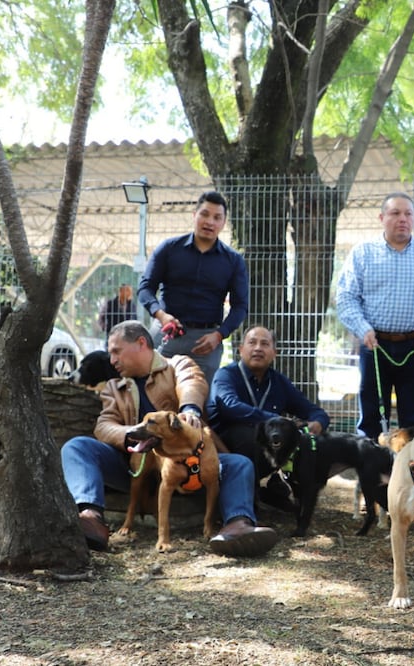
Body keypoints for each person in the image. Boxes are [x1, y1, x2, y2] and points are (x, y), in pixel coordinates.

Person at [60, 320, 278, 557]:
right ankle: (90, 518)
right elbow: (103, 425)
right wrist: (135, 434)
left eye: (116, 351)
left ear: (141, 343)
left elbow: (192, 382)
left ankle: (238, 524)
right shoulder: (114, 386)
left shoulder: (178, 364)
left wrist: (190, 409)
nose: (112, 360)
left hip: (193, 465)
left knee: (239, 464)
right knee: (76, 447)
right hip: (135, 467)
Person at [335, 192, 414, 439]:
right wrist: (363, 329)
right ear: (382, 217)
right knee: (372, 417)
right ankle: (372, 474)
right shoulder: (362, 253)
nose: (402, 219)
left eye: (408, 213)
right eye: (395, 213)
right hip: (374, 347)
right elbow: (346, 298)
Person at [207, 325, 330, 508]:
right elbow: (231, 407)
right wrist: (275, 420)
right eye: (252, 342)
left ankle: (290, 494)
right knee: (247, 435)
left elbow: (313, 411)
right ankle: (247, 500)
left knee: (302, 439)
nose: (258, 348)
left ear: (274, 353)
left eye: (265, 344)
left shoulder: (278, 382)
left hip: (266, 448)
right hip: (224, 448)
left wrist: (318, 423)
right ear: (241, 349)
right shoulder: (226, 375)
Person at [137, 191, 249, 385]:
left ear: (224, 223)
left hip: (206, 342)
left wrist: (219, 335)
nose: (210, 222)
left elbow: (240, 306)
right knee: (150, 391)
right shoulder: (168, 249)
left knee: (198, 404)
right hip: (166, 331)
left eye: (217, 217)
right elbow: (145, 288)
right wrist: (161, 315)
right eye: (204, 214)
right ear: (194, 215)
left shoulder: (234, 261)